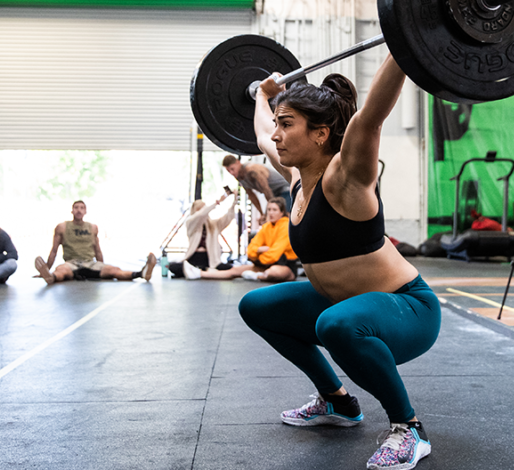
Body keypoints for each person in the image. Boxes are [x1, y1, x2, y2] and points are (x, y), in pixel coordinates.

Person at [237, 56, 440, 470]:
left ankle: (410, 429)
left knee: (336, 324)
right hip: (342, 302)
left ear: (321, 134)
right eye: (278, 122)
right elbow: (260, 136)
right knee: (256, 307)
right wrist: (262, 95)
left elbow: (371, 118)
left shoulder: (346, 177)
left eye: (287, 124)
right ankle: (337, 401)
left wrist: (404, 44)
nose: (276, 134)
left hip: (407, 309)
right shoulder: (297, 179)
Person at [34, 200, 157, 284]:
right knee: (61, 270)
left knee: (114, 270)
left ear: (85, 211)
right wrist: (47, 268)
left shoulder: (92, 227)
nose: (79, 210)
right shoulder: (62, 227)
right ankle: (51, 277)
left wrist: (101, 267)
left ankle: (142, 273)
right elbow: (54, 250)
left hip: (90, 263)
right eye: (76, 207)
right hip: (72, 263)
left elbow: (97, 249)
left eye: (82, 208)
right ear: (72, 210)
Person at [183, 197, 298, 282]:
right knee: (235, 270)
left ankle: (258, 276)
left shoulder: (286, 226)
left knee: (273, 271)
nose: (271, 213)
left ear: (282, 212)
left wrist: (259, 252)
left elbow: (274, 254)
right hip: (263, 265)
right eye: (269, 210)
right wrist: (260, 250)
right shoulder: (266, 227)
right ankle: (199, 273)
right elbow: (251, 250)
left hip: (284, 266)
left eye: (274, 210)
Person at [166, 191, 237, 279]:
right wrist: (217, 202)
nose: (205, 211)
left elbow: (228, 217)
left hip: (210, 260)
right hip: (193, 258)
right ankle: (200, 271)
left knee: (229, 268)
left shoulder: (213, 225)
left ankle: (197, 272)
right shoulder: (190, 223)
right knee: (173, 266)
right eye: (202, 209)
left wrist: (234, 201)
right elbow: (200, 215)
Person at [222, 155, 292, 216]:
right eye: (228, 171)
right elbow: (252, 196)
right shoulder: (240, 178)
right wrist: (261, 214)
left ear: (238, 162)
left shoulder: (251, 170)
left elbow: (266, 190)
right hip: (275, 194)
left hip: (285, 189)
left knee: (283, 217)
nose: (231, 172)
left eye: (232, 169)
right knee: (269, 217)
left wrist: (267, 212)